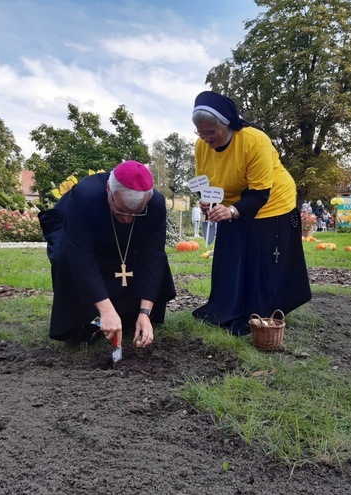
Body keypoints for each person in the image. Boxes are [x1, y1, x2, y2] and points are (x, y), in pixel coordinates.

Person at [191, 91, 311, 335]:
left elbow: (259, 194)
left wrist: (233, 211)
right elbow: (205, 182)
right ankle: (225, 308)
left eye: (211, 132)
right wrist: (206, 202)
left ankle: (258, 313)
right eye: (201, 133)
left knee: (258, 260)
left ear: (227, 124)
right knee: (230, 256)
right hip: (233, 201)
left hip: (271, 202)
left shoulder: (254, 141)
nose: (206, 138)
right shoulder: (201, 146)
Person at [39, 161, 176, 348]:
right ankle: (90, 321)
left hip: (125, 244)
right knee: (64, 255)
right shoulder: (85, 195)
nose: (127, 220)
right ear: (109, 190)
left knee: (151, 258)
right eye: (121, 211)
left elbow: (153, 256)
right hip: (78, 237)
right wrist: (105, 309)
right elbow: (81, 257)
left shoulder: (156, 203)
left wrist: (145, 312)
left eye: (135, 213)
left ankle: (130, 318)